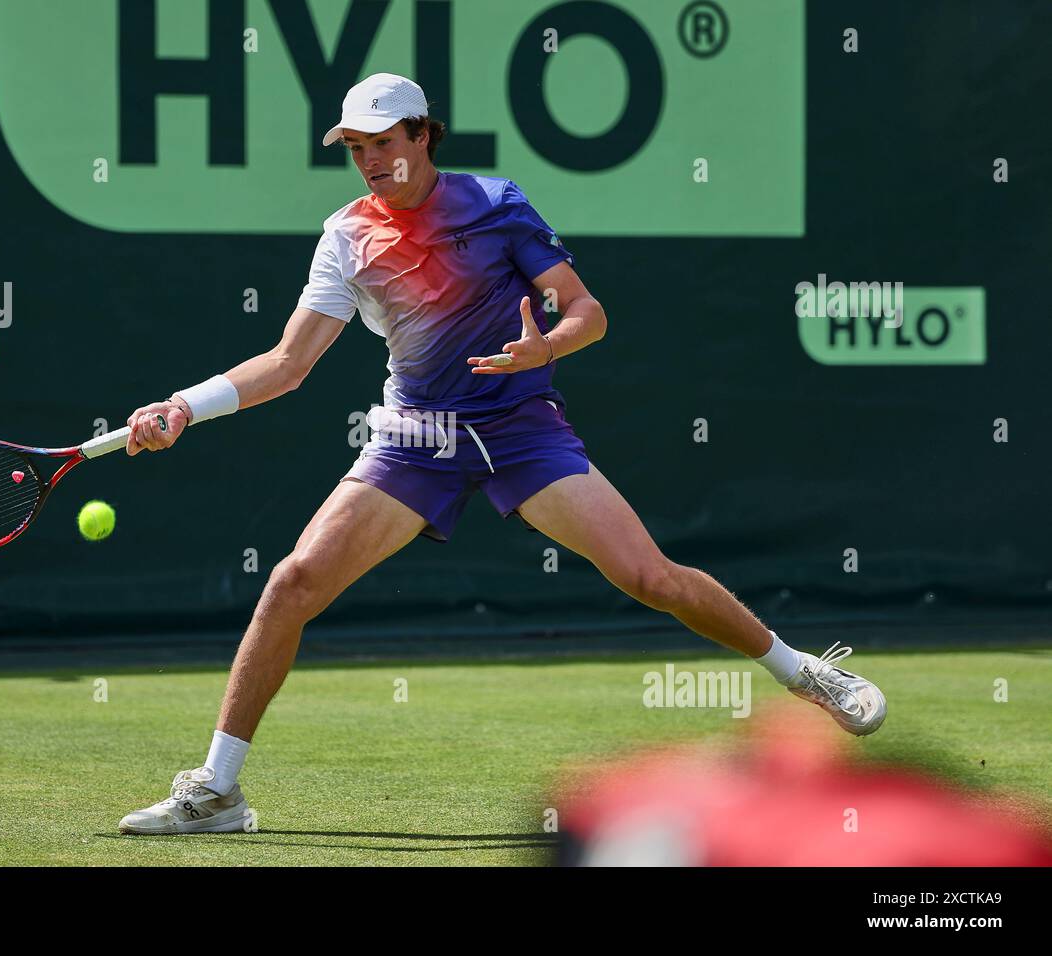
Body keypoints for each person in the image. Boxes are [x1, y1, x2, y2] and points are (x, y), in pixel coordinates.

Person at [116, 74, 886, 835]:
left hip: (520, 426)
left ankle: (805, 670)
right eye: (355, 148)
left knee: (651, 577)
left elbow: (589, 312)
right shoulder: (347, 235)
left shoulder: (496, 204)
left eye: (384, 142)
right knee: (292, 582)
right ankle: (217, 791)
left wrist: (543, 347)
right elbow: (287, 364)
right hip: (416, 438)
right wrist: (185, 404)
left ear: (423, 133)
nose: (371, 161)